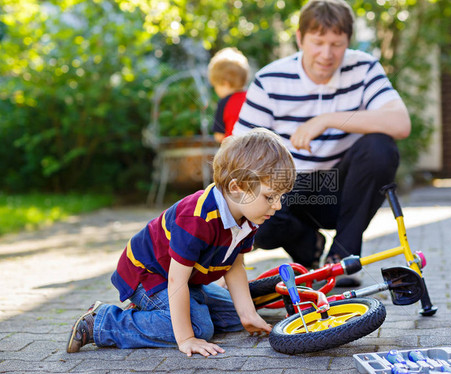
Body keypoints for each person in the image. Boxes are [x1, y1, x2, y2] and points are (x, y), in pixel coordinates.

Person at [66, 128, 296, 357]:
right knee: (200, 328)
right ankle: (102, 322)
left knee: (234, 318)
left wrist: (248, 315)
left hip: (186, 279)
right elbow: (176, 279)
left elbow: (234, 265)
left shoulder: (249, 216)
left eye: (280, 197)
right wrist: (186, 338)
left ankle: (164, 314)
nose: (277, 206)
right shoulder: (197, 218)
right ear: (237, 188)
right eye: (270, 197)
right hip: (149, 275)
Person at [232, 0, 411, 285]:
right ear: (300, 38)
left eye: (336, 44)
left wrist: (327, 119)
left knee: (380, 147)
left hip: (340, 191)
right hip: (286, 189)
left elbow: (401, 123)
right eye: (318, 42)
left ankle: (342, 256)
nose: (327, 54)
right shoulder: (270, 79)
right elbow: (236, 152)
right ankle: (308, 246)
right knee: (255, 216)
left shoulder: (364, 68)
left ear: (348, 42)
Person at [208, 47, 250, 143]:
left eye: (216, 85)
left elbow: (219, 136)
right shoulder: (252, 97)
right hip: (254, 149)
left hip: (233, 152)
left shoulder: (224, 102)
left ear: (225, 84)